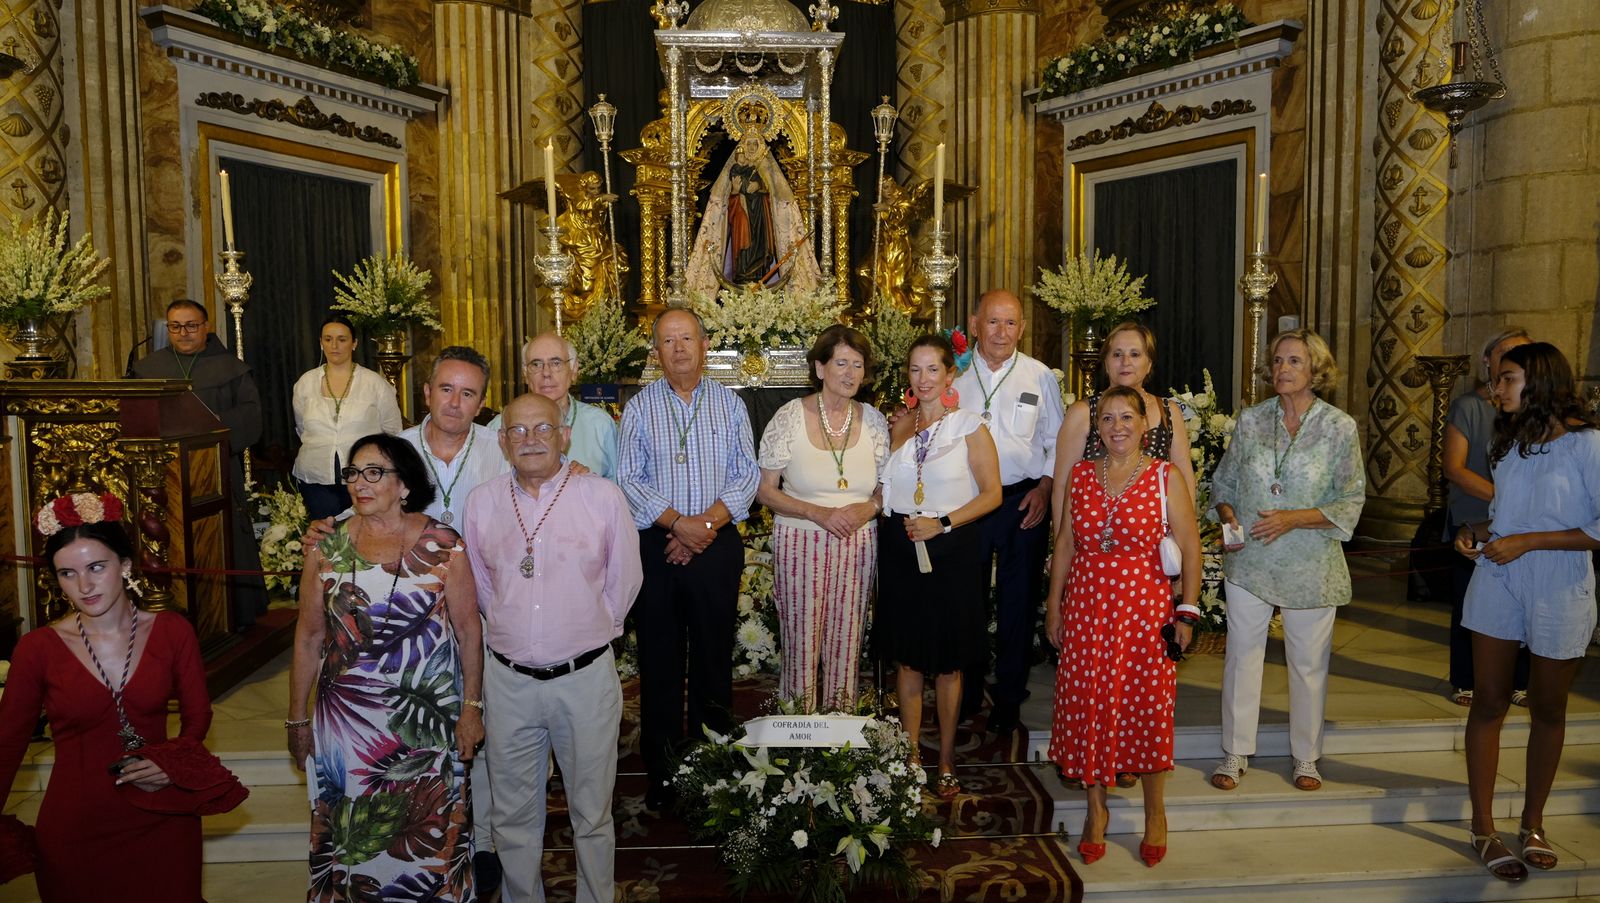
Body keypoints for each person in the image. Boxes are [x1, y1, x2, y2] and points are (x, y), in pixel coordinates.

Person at [287, 434, 483, 900]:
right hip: (346, 729)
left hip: (426, 730)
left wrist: (472, 707)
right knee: (351, 837)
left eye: (374, 472)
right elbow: (310, 636)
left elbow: (469, 632)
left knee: (430, 832)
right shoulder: (326, 546)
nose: (360, 482)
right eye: (353, 473)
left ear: (405, 485)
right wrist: (297, 717)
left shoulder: (444, 545)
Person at [463, 393, 643, 903]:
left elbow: (624, 583)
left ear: (564, 435)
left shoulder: (602, 497)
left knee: (591, 812)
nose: (530, 440)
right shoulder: (483, 502)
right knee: (513, 815)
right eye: (517, 431)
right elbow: (480, 587)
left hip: (584, 679)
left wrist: (581, 635)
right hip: (509, 682)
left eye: (542, 429)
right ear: (501, 442)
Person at [0, 493, 212, 901]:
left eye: (97, 567)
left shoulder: (172, 631)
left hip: (164, 814)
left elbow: (197, 718)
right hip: (75, 828)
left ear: (126, 565)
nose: (84, 585)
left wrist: (173, 762)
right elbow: (7, 743)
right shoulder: (37, 648)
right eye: (67, 573)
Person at [1455, 342, 1600, 883]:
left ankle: (1533, 822)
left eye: (1507, 379)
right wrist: (1478, 535)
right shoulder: (1509, 445)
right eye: (1496, 380)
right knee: (1488, 702)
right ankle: (1484, 827)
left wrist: (1529, 542)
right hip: (1498, 579)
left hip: (1560, 583)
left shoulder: (1588, 446)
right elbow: (1504, 519)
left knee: (1548, 707)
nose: (1497, 389)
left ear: (1538, 380)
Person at [1043, 386, 1202, 867]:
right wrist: (1054, 606)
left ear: (1143, 425)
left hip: (1143, 610)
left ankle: (1156, 813)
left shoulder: (1163, 477)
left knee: (1146, 707)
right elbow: (1066, 542)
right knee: (1089, 706)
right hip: (1088, 606)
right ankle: (1096, 812)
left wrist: (1187, 610)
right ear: (1097, 428)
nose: (1117, 427)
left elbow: (1191, 547)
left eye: (1127, 418)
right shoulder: (1080, 475)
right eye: (1108, 419)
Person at [1208, 329, 1365, 794]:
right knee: (1242, 657)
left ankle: (1306, 758)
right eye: (1277, 360)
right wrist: (1228, 515)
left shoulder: (1339, 427)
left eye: (1294, 361)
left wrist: (1294, 518)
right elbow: (1224, 484)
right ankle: (1235, 752)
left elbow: (1352, 497)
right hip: (1251, 558)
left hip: (1310, 563)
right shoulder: (1252, 420)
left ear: (1315, 370)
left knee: (1308, 662)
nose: (1282, 369)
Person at [617, 307, 759, 810]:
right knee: (659, 661)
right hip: (657, 546)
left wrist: (702, 526)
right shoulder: (638, 407)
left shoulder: (729, 404)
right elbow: (628, 478)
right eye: (667, 341)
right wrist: (677, 524)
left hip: (716, 543)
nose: (678, 348)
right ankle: (662, 772)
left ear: (705, 345)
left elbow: (748, 475)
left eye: (687, 339)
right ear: (656, 352)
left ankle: (714, 767)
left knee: (713, 657)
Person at [877, 334, 1002, 799]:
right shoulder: (898, 426)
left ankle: (946, 758)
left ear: (950, 375)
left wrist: (943, 523)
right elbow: (884, 486)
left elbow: (992, 494)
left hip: (952, 548)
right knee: (909, 659)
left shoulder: (969, 426)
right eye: (915, 369)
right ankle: (911, 756)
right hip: (900, 546)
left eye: (933, 370)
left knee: (949, 663)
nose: (924, 379)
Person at [756, 325, 889, 711]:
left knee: (847, 641)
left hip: (858, 543)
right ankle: (797, 736)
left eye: (858, 365)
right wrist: (818, 512)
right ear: (820, 367)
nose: (849, 374)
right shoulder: (789, 417)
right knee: (801, 643)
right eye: (841, 363)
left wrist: (870, 508)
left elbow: (887, 487)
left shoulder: (876, 421)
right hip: (800, 540)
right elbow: (766, 490)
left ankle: (839, 740)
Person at [952, 290, 1065, 735]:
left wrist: (1045, 488)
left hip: (1023, 500)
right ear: (975, 323)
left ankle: (1010, 696)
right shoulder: (954, 374)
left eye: (1011, 323)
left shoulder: (1039, 377)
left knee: (1018, 601)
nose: (1002, 332)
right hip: (967, 500)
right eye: (993, 322)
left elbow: (1058, 443)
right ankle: (966, 688)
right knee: (967, 600)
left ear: (1023, 328)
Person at [130, 298, 267, 630]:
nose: (183, 333)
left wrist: (217, 423)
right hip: (161, 474)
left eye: (191, 326)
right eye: (175, 326)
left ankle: (232, 614)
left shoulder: (231, 369)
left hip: (216, 472)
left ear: (206, 327)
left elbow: (252, 416)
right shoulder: (147, 368)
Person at [1441, 327, 1532, 708]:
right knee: (1469, 603)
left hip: (1519, 525)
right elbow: (1454, 468)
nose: (1514, 360)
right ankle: (1466, 678)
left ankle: (1521, 680)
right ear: (1487, 362)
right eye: (1507, 354)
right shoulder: (1469, 407)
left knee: (1520, 600)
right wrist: (1503, 498)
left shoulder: (1530, 416)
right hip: (1475, 516)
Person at [1051, 321, 1196, 521]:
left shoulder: (1168, 412)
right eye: (1117, 354)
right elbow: (1062, 486)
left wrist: (1186, 539)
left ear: (1149, 364)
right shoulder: (1083, 413)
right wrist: (1062, 545)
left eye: (1135, 354)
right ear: (1106, 363)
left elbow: (1186, 481)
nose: (1125, 362)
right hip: (1093, 532)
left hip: (1154, 536)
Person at [290, 314, 403, 520]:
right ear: (321, 342)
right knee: (325, 541)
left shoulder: (375, 384)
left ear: (354, 343)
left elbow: (393, 432)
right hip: (315, 479)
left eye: (342, 339)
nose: (334, 345)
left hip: (366, 481)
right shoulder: (305, 383)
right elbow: (302, 428)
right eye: (328, 339)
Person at [686, 126, 821, 292]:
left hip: (761, 215)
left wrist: (761, 186)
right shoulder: (736, 168)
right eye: (748, 144)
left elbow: (776, 197)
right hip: (741, 214)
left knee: (760, 246)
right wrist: (738, 191)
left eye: (754, 144)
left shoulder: (765, 168)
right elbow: (728, 198)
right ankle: (743, 274)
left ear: (760, 147)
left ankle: (761, 273)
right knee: (743, 244)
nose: (751, 148)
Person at [487, 332, 619, 479]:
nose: (546, 373)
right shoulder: (499, 426)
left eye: (556, 363)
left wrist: (591, 484)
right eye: (536, 364)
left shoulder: (600, 425)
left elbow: (618, 491)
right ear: (525, 373)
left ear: (574, 370)